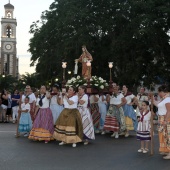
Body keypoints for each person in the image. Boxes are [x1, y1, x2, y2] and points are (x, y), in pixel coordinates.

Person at [154, 85, 170, 159]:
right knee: (163, 135)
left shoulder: (167, 99)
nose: (159, 94)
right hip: (161, 118)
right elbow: (157, 105)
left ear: (162, 92)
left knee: (167, 135)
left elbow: (169, 111)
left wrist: (165, 121)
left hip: (166, 119)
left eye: (159, 92)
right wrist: (152, 99)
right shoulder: (164, 99)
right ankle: (166, 150)